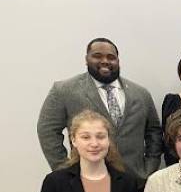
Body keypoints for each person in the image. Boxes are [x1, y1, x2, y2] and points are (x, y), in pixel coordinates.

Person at [37, 37, 163, 179]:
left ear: (118, 61)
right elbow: (47, 131)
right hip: (85, 182)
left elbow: (154, 132)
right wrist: (65, 171)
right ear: (86, 59)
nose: (105, 61)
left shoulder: (140, 93)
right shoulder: (64, 90)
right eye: (97, 56)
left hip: (135, 182)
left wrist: (150, 168)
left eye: (111, 57)